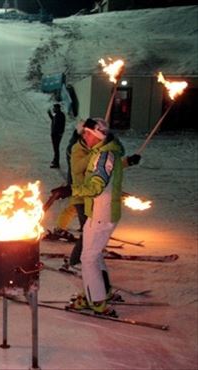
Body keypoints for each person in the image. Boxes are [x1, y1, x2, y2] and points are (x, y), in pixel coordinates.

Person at [54, 118, 138, 316]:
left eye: (87, 133)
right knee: (95, 254)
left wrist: (70, 189)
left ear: (97, 135)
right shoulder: (103, 153)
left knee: (88, 257)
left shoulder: (103, 156)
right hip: (98, 211)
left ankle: (97, 300)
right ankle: (99, 292)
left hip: (102, 212)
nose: (83, 136)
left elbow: (95, 186)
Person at [48, 103, 66, 168]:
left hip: (57, 134)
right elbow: (53, 120)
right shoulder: (57, 115)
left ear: (57, 108)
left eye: (54, 108)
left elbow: (61, 125)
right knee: (55, 148)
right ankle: (55, 160)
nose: (53, 109)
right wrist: (50, 114)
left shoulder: (60, 115)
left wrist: (60, 133)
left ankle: (56, 163)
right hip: (54, 134)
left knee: (56, 148)